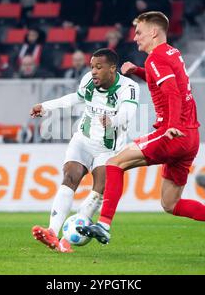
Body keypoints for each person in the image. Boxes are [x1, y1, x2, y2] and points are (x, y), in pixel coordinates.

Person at [77, 12, 205, 257]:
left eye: (139, 32)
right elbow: (166, 82)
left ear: (153, 32)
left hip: (173, 133)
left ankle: (103, 224)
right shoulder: (171, 53)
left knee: (114, 163)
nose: (135, 38)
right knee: (171, 203)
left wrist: (171, 126)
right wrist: (137, 70)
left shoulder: (155, 57)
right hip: (191, 137)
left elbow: (172, 93)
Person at [30, 48, 140, 253]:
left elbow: (127, 112)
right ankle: (52, 232)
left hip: (108, 150)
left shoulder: (129, 87)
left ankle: (67, 240)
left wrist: (113, 121)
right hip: (83, 140)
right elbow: (75, 98)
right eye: (92, 67)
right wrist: (46, 107)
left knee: (99, 189)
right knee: (70, 176)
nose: (94, 71)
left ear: (112, 69)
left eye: (99, 67)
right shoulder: (88, 80)